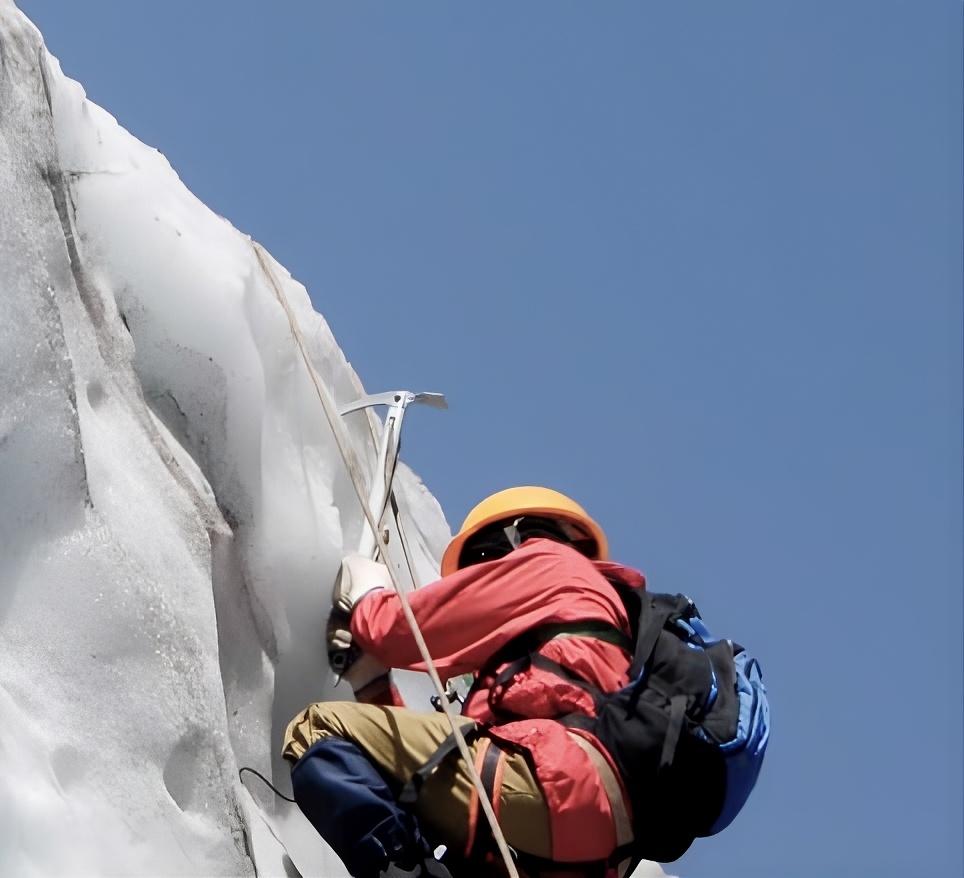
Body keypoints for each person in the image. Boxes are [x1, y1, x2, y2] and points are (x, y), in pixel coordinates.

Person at [282, 486, 645, 878]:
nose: (481, 575)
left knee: (315, 730)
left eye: (483, 560)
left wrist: (368, 596)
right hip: (594, 842)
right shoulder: (594, 631)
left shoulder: (548, 563)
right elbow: (412, 785)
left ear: (515, 536)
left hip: (554, 785)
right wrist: (371, 685)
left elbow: (394, 630)